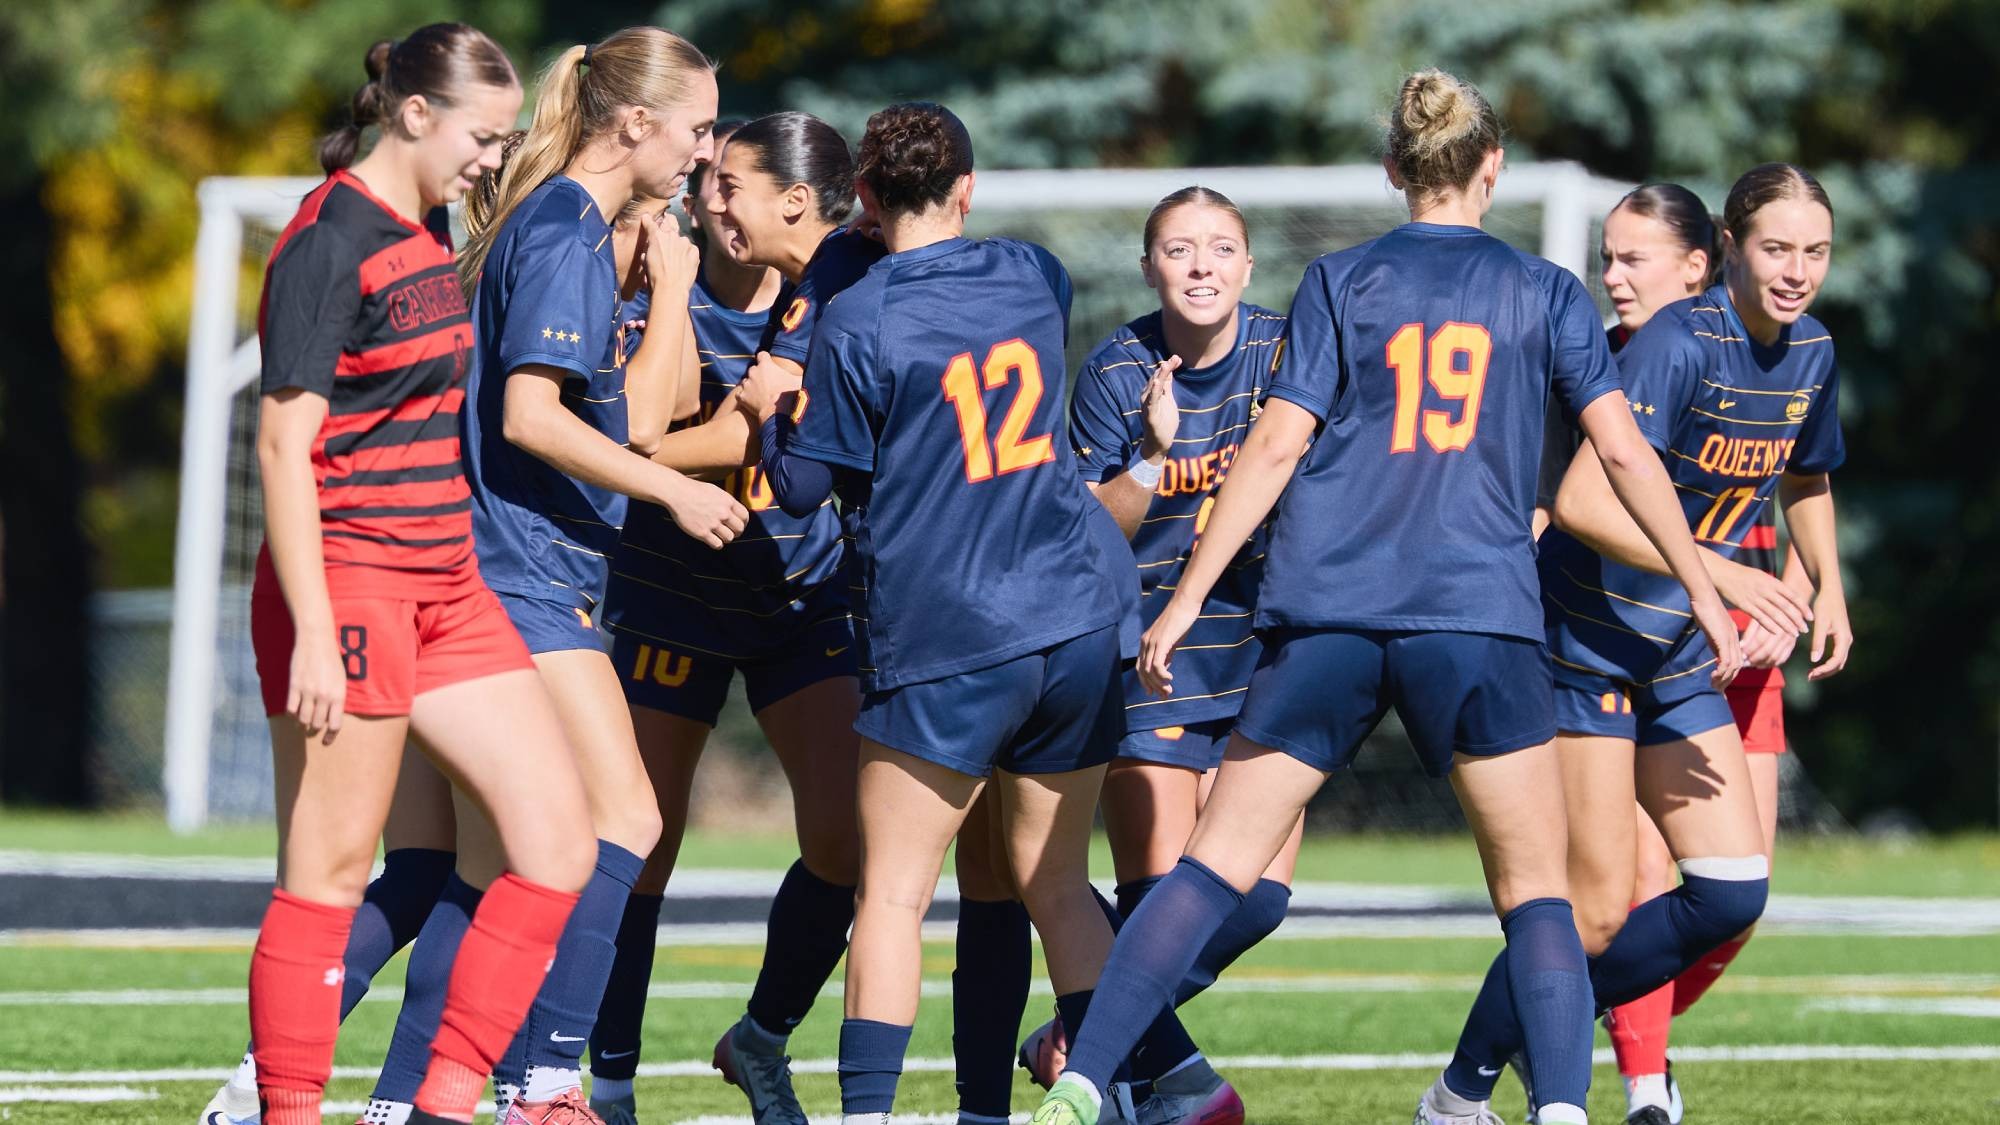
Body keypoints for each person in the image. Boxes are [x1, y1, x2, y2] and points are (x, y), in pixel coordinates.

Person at [1029, 69, 1749, 1125]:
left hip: (1333, 613)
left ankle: (1084, 1080)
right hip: (1477, 619)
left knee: (1210, 871)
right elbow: (1627, 458)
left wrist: (1181, 600)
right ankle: (1559, 1109)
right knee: (1536, 897)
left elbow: (1274, 447)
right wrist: (1702, 587)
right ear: (1491, 168)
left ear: (1391, 171)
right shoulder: (1545, 290)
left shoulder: (1338, 279)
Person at [745, 101, 1203, 1125]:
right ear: (967, 189)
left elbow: (804, 488)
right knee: (1058, 885)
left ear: (863, 197)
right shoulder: (1033, 274)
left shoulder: (859, 316)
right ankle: (1157, 1089)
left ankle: (867, 1117)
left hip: (949, 628)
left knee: (894, 894)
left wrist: (772, 407)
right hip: (1073, 617)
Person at [357, 27, 747, 1125]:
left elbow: (645, 409)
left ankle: (404, 1103)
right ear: (636, 122)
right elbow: (530, 417)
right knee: (622, 822)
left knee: (489, 870)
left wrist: (669, 292)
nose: (705, 150)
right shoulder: (565, 226)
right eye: (698, 127)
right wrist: (671, 492)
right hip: (517, 574)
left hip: (521, 571)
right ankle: (542, 1085)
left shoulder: (570, 226)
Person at [241, 24, 597, 1125]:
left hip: (448, 587)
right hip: (347, 588)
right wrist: (311, 629)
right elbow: (281, 447)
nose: (492, 158)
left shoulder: (427, 222)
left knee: (559, 843)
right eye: (482, 138)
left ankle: (443, 1105)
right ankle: (285, 1110)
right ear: (412, 115)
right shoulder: (327, 240)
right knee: (329, 871)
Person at [1458, 163, 1848, 1124]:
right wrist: (1719, 574)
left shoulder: (1814, 350)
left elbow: (1805, 474)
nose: (1797, 270)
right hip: (1585, 645)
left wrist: (1829, 586)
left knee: (1732, 891)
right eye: (1777, 249)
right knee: (1594, 910)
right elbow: (1584, 502)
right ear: (1730, 251)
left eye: (1816, 251)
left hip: (1675, 645)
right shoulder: (1677, 341)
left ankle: (1534, 1027)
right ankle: (1463, 1091)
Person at [592, 110, 877, 1125]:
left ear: (791, 202)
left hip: (803, 593)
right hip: (671, 595)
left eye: (730, 183)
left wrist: (731, 430)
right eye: (706, 181)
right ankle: (607, 1085)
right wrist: (716, 431)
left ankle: (760, 1037)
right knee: (640, 846)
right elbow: (631, 437)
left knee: (848, 844)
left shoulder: (836, 289)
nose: (712, 199)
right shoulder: (649, 287)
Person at [1016, 186, 1300, 1122]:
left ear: (1249, 265)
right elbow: (1089, 529)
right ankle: (1152, 1084)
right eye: (1179, 249)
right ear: (1149, 268)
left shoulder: (1287, 351)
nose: (1202, 265)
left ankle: (1087, 1035)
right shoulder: (1116, 369)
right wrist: (1149, 451)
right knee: (1158, 895)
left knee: (1258, 899)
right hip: (1150, 653)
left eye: (1221, 247)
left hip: (1264, 647)